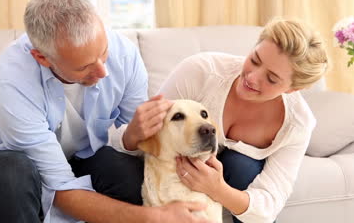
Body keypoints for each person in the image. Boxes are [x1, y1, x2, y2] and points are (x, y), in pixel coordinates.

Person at [0, 0, 212, 223]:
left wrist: (133, 136)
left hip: (80, 156)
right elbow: (60, 188)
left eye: (103, 53)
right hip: (15, 168)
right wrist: (153, 217)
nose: (102, 72)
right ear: (42, 58)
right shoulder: (11, 85)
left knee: (126, 173)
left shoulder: (124, 54)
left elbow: (133, 140)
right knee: (11, 172)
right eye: (84, 67)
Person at [118, 18, 328, 223]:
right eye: (254, 60)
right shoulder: (201, 71)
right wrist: (132, 135)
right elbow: (149, 137)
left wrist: (217, 189)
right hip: (170, 175)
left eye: (271, 79)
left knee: (241, 166)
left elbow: (268, 206)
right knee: (110, 165)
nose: (253, 77)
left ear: (293, 89)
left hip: (228, 183)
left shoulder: (297, 124)